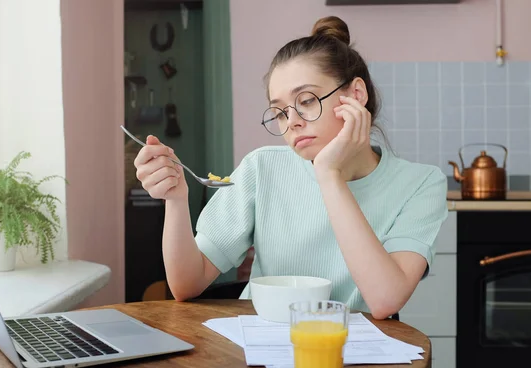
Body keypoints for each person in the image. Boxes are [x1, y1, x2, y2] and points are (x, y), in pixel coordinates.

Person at [133, 16, 448, 319]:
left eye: (307, 100)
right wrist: (175, 200)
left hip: (353, 361)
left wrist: (329, 175)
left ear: (356, 95)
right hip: (258, 352)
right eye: (280, 113)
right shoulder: (263, 167)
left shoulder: (421, 184)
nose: (292, 122)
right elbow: (186, 285)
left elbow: (384, 300)